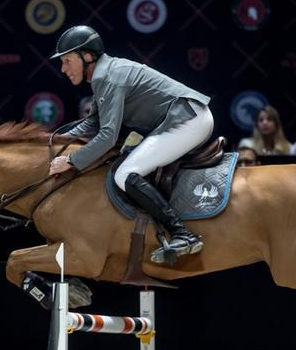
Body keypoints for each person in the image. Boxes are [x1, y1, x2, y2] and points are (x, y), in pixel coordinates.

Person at [48, 25, 213, 262]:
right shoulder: (104, 75)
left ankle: (183, 234)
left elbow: (108, 136)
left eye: (67, 61)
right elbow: (91, 124)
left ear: (87, 56)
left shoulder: (108, 77)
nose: (63, 69)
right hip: (184, 117)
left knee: (125, 173)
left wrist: (71, 160)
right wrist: (51, 142)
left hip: (189, 120)